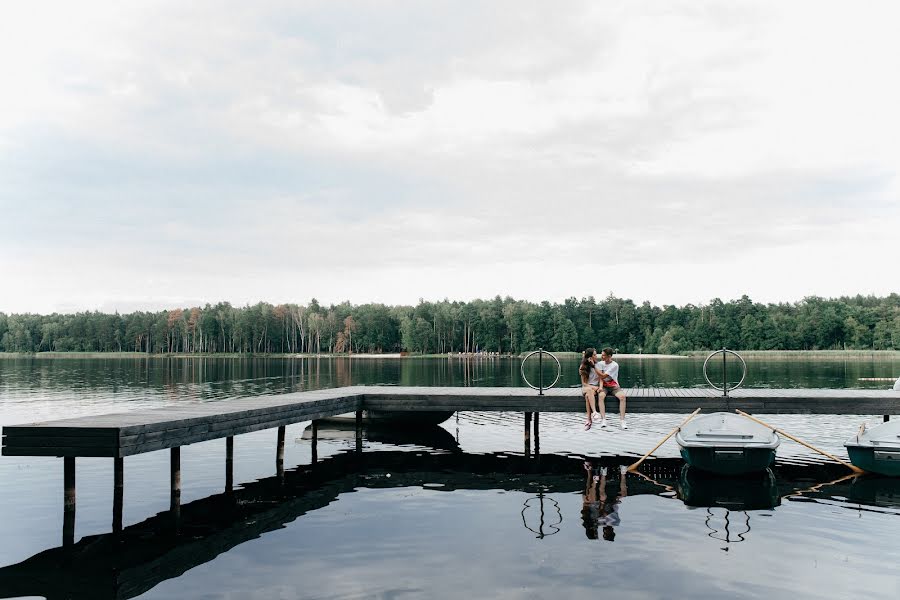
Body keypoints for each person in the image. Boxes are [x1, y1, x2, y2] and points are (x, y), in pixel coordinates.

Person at [597, 347, 628, 429]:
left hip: (614, 386)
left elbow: (603, 375)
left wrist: (594, 367)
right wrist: (600, 387)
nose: (602, 357)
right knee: (601, 396)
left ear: (609, 356)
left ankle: (622, 421)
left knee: (622, 397)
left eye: (604, 355)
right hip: (604, 387)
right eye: (602, 355)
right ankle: (603, 419)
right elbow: (601, 378)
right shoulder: (600, 364)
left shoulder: (614, 365)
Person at [597, 464, 628, 541]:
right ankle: (623, 473)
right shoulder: (616, 523)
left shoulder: (600, 523)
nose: (605, 531)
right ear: (612, 532)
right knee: (624, 494)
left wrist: (602, 508)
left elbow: (600, 510)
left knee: (602, 496)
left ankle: (604, 473)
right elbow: (610, 511)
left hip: (604, 502)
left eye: (604, 533)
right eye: (607, 533)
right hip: (614, 503)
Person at [579, 348, 601, 430]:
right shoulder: (583, 367)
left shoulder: (598, 365)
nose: (596, 356)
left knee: (588, 395)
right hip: (587, 387)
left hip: (595, 389)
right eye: (594, 355)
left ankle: (588, 419)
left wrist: (594, 366)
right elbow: (584, 383)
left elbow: (601, 378)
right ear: (590, 357)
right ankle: (594, 412)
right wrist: (594, 387)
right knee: (588, 391)